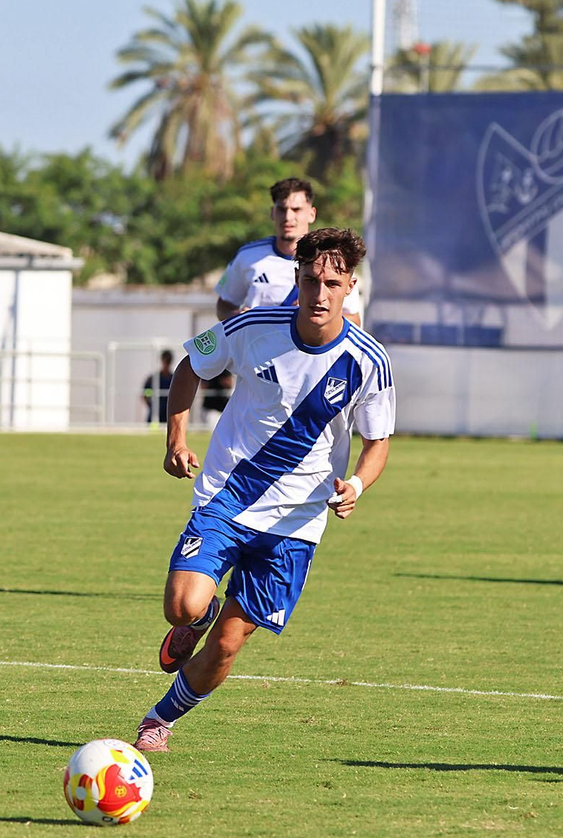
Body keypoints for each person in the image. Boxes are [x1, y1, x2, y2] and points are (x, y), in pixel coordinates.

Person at [135, 227, 395, 753]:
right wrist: (176, 439)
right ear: (296, 278)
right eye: (310, 280)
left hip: (296, 524)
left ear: (351, 287)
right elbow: (190, 366)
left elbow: (378, 442)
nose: (319, 294)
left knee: (228, 646)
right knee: (183, 607)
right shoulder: (251, 325)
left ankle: (159, 721)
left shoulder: (370, 361)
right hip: (228, 494)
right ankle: (200, 614)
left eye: (332, 283)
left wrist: (358, 486)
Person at [215, 177, 363, 327]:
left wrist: (315, 317)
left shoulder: (334, 258)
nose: (288, 217)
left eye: (296, 209)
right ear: (272, 213)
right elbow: (224, 306)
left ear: (312, 214)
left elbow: (354, 320)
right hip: (260, 347)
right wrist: (241, 317)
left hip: (308, 349)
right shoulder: (248, 256)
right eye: (282, 209)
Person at [142, 350, 173, 425]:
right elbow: (145, 393)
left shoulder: (174, 378)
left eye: (168, 361)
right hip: (155, 415)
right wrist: (151, 405)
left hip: (168, 415)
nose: (166, 364)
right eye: (165, 361)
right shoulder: (153, 379)